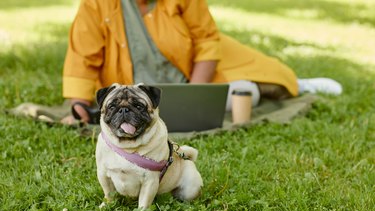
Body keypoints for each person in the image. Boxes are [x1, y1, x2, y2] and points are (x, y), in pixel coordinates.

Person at [61, 0, 342, 124]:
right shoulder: (95, 4)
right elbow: (81, 56)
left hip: (192, 74)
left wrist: (192, 95)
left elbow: (207, 41)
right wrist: (77, 104)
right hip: (136, 90)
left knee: (246, 89)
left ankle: (298, 84)